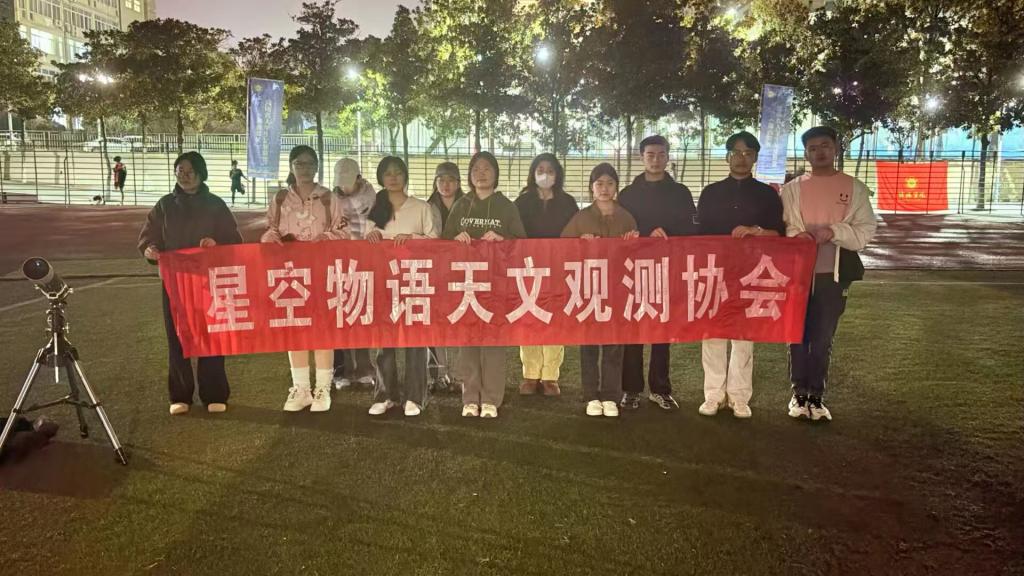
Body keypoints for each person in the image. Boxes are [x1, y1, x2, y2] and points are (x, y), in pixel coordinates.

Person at [782, 126, 877, 422]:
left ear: (836, 148)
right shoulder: (792, 189)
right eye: (812, 148)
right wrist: (797, 236)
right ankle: (798, 394)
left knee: (823, 337)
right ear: (806, 153)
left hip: (833, 275)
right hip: (798, 275)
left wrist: (834, 232)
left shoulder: (854, 188)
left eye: (825, 145)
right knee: (797, 334)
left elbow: (865, 231)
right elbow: (784, 226)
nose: (819, 152)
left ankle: (816, 396)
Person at [139, 151, 243, 415]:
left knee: (212, 336)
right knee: (176, 337)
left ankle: (214, 393)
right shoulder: (164, 205)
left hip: (209, 283)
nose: (184, 176)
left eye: (189, 171)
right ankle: (180, 395)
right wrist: (150, 250)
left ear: (201, 173)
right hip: (175, 283)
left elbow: (234, 240)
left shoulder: (216, 205)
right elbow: (149, 237)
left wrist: (216, 243)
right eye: (180, 171)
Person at [695, 131, 785, 419]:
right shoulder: (711, 193)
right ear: (727, 157)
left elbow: (779, 233)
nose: (741, 158)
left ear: (756, 158)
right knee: (712, 334)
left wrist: (756, 232)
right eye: (736, 152)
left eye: (748, 153)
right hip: (715, 272)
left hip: (751, 273)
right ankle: (713, 395)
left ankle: (739, 397)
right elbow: (698, 235)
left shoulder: (767, 195)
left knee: (744, 335)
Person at [261, 145, 349, 413]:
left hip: (321, 271)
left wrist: (326, 238)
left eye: (310, 163)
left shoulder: (328, 198)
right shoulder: (280, 199)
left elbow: (344, 233)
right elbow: (269, 230)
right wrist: (269, 237)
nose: (305, 168)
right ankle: (301, 389)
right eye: (299, 163)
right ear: (291, 167)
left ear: (317, 167)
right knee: (295, 328)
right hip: (290, 273)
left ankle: (323, 388)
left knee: (322, 328)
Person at [442, 151, 526, 419]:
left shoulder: (506, 206)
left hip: (497, 284)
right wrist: (456, 238)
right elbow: (444, 241)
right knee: (467, 341)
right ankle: (470, 397)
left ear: (496, 173)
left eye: (487, 168)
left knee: (493, 341)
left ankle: (490, 398)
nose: (481, 173)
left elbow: (522, 242)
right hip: (466, 284)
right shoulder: (461, 205)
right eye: (476, 169)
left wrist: (502, 238)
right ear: (469, 175)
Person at [617, 134, 697, 411]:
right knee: (633, 331)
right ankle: (630, 389)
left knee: (663, 330)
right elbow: (620, 229)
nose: (656, 159)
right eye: (650, 154)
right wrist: (640, 235)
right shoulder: (627, 194)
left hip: (668, 268)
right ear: (641, 157)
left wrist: (668, 233)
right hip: (634, 270)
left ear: (668, 157)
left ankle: (660, 388)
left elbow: (692, 228)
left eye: (661, 154)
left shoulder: (681, 193)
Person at [364, 156, 440, 417]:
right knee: (384, 339)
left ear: (405, 176)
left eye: (398, 172)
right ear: (381, 178)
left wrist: (413, 238)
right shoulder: (375, 210)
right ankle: (385, 394)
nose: (393, 177)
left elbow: (435, 241)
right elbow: (364, 243)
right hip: (383, 281)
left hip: (414, 279)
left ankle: (415, 397)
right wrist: (370, 235)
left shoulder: (421, 207)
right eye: (388, 173)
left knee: (415, 340)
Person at [561, 163, 638, 418]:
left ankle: (611, 396)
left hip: (617, 290)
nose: (604, 189)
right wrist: (579, 243)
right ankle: (591, 395)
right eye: (599, 184)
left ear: (616, 187)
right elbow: (561, 248)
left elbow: (637, 255)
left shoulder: (626, 217)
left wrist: (633, 243)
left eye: (610, 183)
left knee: (614, 345)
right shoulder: (581, 217)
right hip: (589, 289)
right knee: (589, 345)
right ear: (591, 188)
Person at [514, 153, 579, 397]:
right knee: (530, 317)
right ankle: (530, 374)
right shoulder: (522, 202)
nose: (545, 175)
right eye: (540, 170)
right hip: (528, 269)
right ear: (533, 173)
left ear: (557, 175)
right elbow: (514, 233)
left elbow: (575, 233)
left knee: (555, 319)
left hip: (558, 270)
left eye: (550, 170)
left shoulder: (568, 203)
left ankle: (550, 375)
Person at [331, 158, 379, 391]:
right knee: (339, 316)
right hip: (338, 263)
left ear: (358, 178)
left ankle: (364, 367)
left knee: (361, 314)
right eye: (340, 182)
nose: (343, 187)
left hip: (364, 262)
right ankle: (341, 369)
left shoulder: (372, 198)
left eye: (347, 182)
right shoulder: (331, 199)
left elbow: (379, 225)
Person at [425, 161, 465, 392]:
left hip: (462, 272)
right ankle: (437, 374)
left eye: (451, 180)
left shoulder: (470, 206)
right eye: (441, 180)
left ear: (458, 183)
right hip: (435, 272)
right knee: (435, 322)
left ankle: (460, 375)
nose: (446, 184)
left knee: (462, 320)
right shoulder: (427, 207)